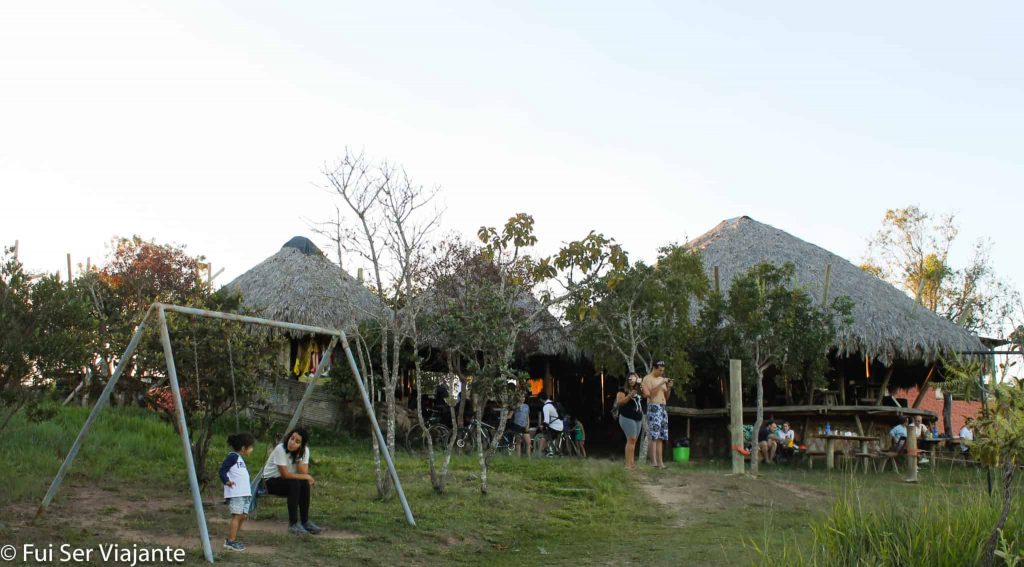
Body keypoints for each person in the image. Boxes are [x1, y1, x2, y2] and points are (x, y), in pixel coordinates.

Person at [262, 428, 321, 535]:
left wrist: (298, 457)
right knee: (295, 483)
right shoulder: (280, 448)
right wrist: (307, 477)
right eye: (292, 438)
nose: (292, 442)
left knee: (303, 483)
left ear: (302, 445)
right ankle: (293, 524)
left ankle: (305, 521)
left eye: (297, 441)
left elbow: (304, 472)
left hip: (288, 482)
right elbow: (285, 474)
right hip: (270, 482)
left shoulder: (305, 451)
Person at [220, 432, 255, 551]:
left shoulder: (239, 459)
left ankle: (232, 538)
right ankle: (230, 541)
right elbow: (222, 471)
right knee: (237, 516)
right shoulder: (232, 457)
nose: (252, 450)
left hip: (244, 493)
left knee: (243, 516)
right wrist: (227, 481)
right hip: (236, 494)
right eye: (250, 447)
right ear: (243, 448)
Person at [641, 360, 672, 469]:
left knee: (661, 436)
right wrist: (661, 383)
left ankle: (660, 462)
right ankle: (653, 462)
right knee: (653, 436)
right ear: (654, 368)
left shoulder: (661, 379)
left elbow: (666, 397)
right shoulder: (647, 378)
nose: (661, 372)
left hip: (663, 407)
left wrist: (669, 388)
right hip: (653, 407)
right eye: (659, 370)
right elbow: (649, 394)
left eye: (663, 370)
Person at [615, 373, 644, 469]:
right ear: (627, 379)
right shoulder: (622, 390)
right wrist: (629, 396)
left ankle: (632, 463)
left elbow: (647, 396)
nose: (632, 380)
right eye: (630, 378)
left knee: (634, 441)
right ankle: (628, 464)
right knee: (631, 439)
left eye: (634, 378)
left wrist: (642, 385)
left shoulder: (639, 390)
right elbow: (619, 402)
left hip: (638, 418)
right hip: (626, 417)